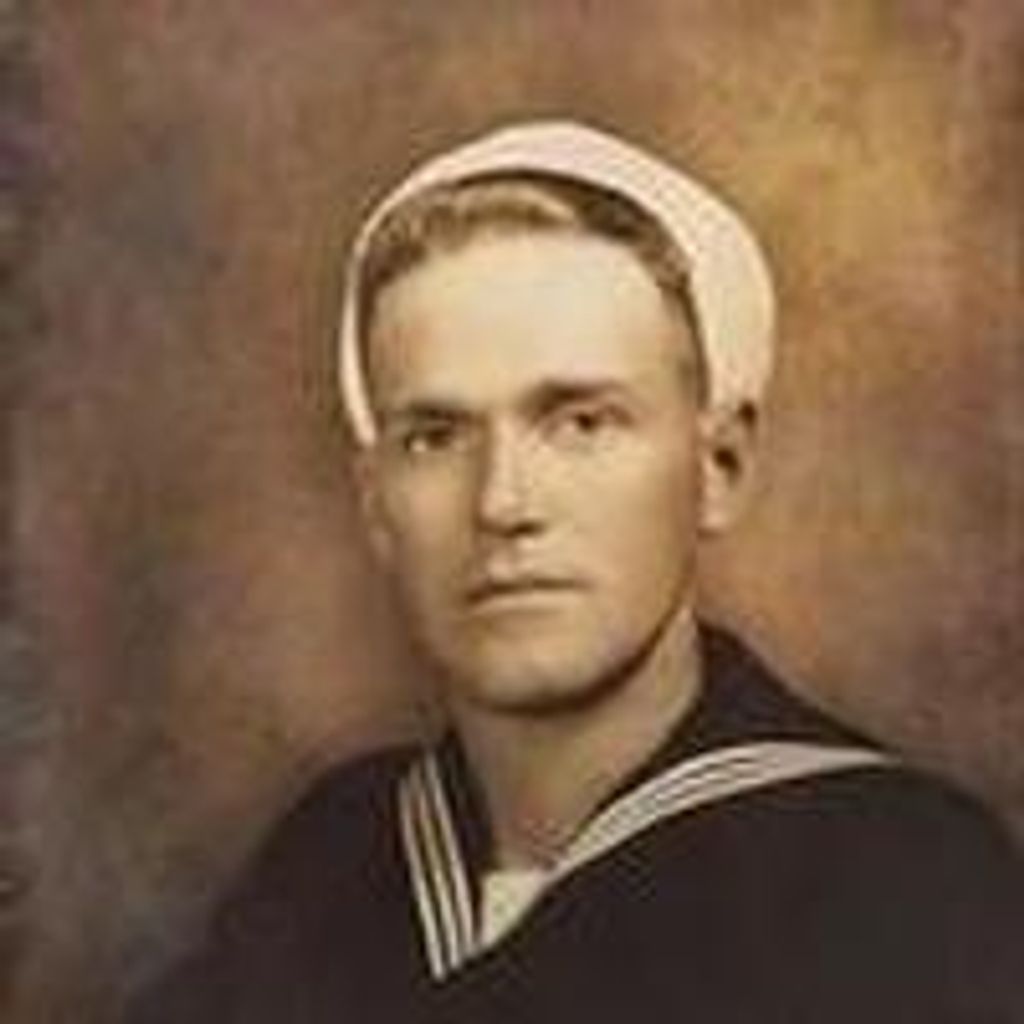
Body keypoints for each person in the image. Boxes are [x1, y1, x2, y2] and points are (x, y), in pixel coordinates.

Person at [126, 121, 1024, 1023]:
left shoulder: (903, 881)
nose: (502, 502)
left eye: (581, 423)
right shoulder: (330, 861)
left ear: (720, 467)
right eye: (434, 438)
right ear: (375, 504)